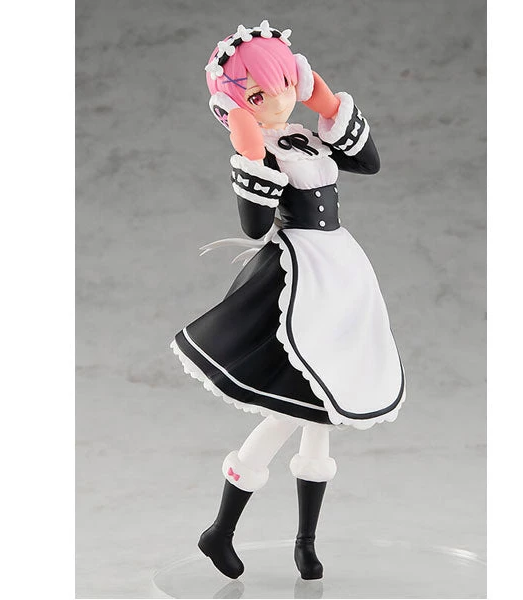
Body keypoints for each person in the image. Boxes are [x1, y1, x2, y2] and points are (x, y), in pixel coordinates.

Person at [171, 21, 406, 580]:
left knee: (324, 408)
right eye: (257, 95)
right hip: (299, 279)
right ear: (234, 107)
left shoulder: (308, 136)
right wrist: (252, 154)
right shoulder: (266, 148)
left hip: (341, 270)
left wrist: (327, 104)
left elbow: (369, 162)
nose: (276, 99)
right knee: (293, 409)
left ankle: (304, 544)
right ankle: (221, 531)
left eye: (282, 83)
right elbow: (255, 227)